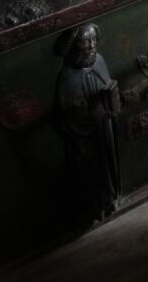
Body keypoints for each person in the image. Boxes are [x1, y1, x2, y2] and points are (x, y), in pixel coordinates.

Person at [53, 23, 121, 222]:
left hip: (104, 126)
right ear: (74, 45)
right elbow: (66, 112)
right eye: (85, 41)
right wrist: (90, 110)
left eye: (93, 40)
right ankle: (95, 207)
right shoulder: (67, 75)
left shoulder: (99, 61)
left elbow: (107, 85)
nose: (91, 45)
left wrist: (110, 99)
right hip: (84, 134)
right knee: (91, 171)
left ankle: (111, 199)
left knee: (108, 165)